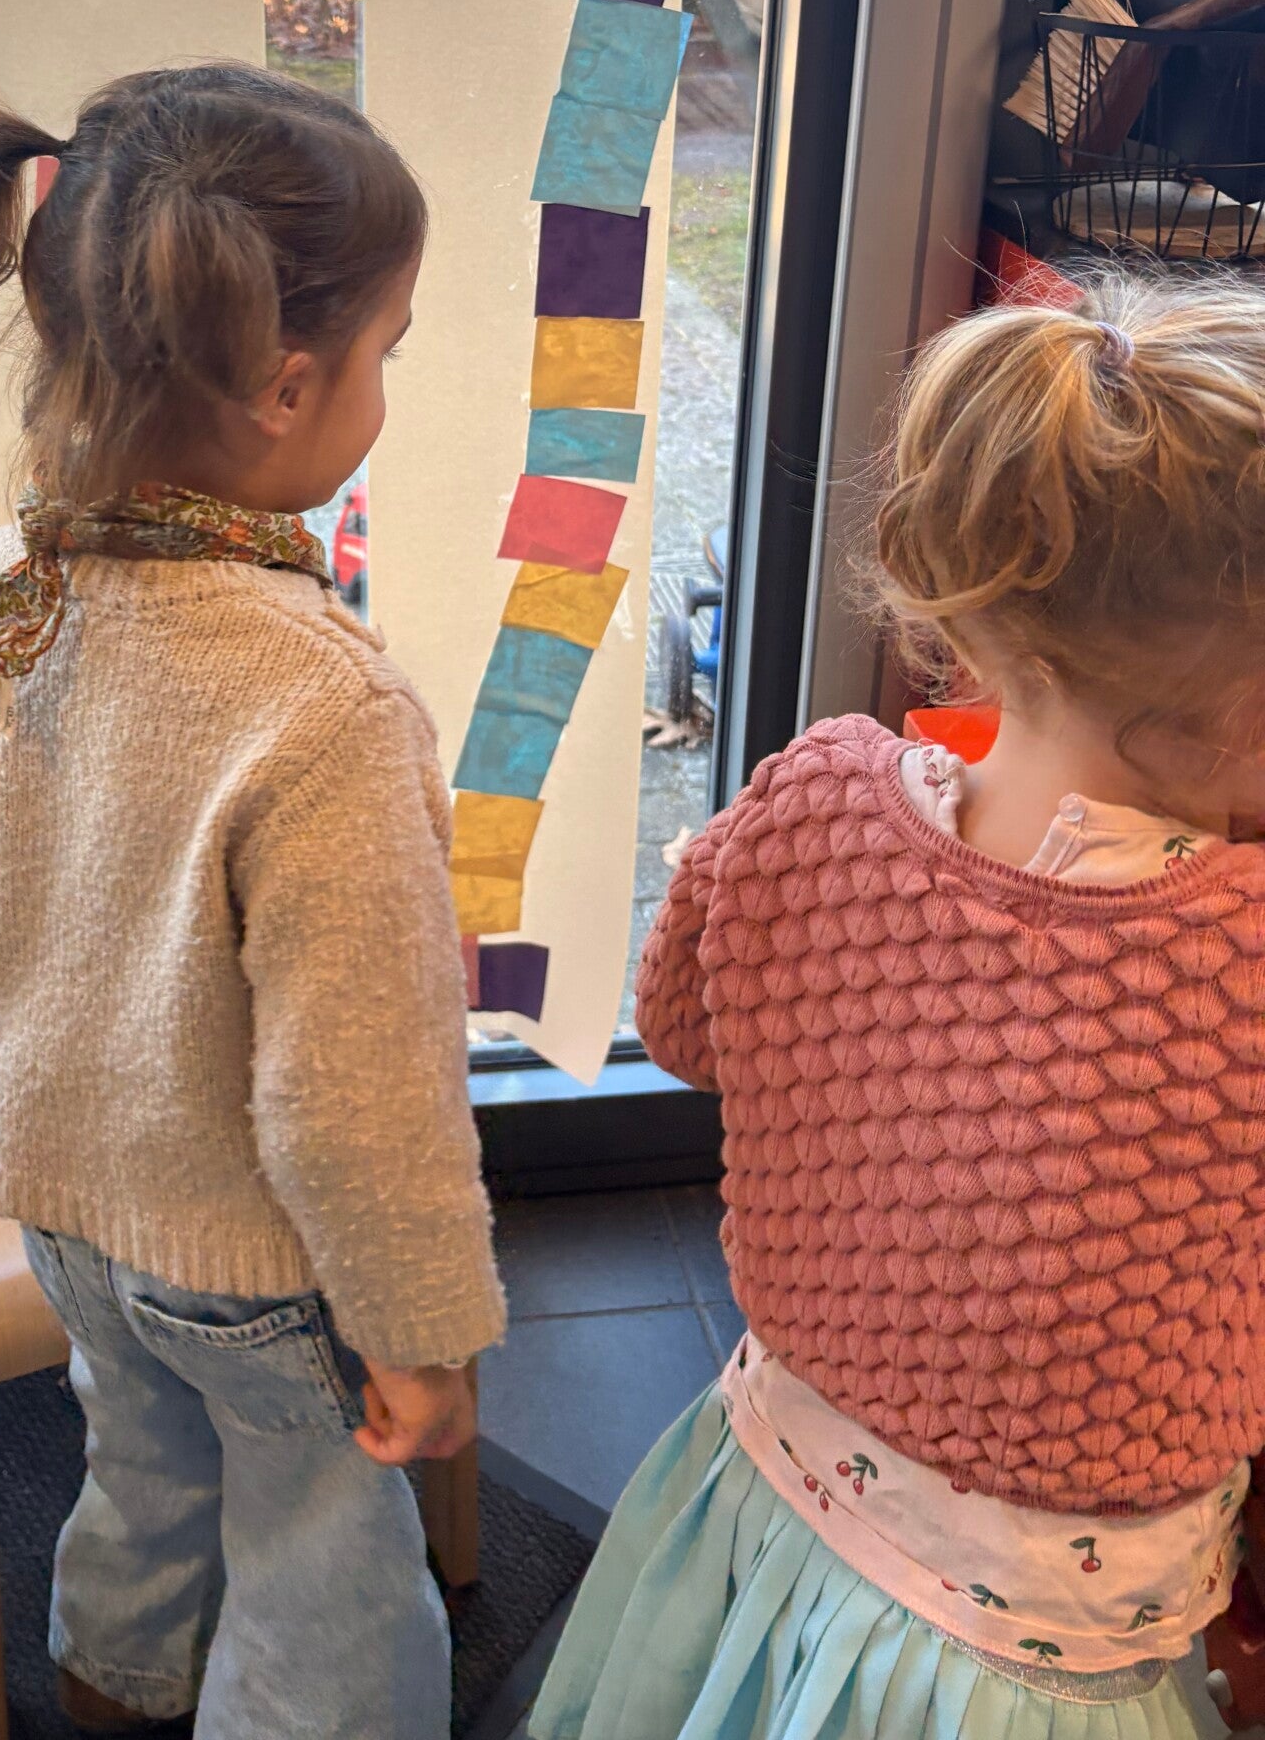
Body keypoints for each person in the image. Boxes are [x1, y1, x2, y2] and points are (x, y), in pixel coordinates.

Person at [533, 269, 1265, 1740]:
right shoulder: (1237, 953)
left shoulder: (814, 795)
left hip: (775, 1466)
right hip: (1034, 1633)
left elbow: (681, 1027)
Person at [0, 62, 504, 1739]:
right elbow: (359, 1097)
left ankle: (110, 1693)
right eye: (386, 353)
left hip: (66, 1200)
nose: (386, 387)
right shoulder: (327, 707)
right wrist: (423, 1334)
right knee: (327, 1587)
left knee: (140, 1476)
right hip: (255, 1260)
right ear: (289, 389)